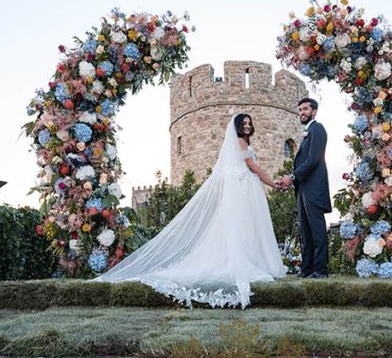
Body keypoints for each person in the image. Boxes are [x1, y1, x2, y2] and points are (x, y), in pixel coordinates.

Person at [96, 114, 286, 307]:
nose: (247, 126)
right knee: (244, 228)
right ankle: (243, 262)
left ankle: (250, 259)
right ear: (237, 127)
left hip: (245, 192)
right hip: (244, 193)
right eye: (243, 123)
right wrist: (273, 183)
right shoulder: (239, 142)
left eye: (249, 123)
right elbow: (252, 166)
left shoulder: (240, 144)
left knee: (246, 228)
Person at [277, 98, 331, 278]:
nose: (302, 112)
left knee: (317, 230)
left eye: (305, 109)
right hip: (303, 188)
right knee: (305, 231)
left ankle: (320, 270)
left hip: (314, 187)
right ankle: (307, 268)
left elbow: (313, 160)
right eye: (300, 109)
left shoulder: (317, 128)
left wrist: (292, 177)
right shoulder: (306, 132)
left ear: (314, 111)